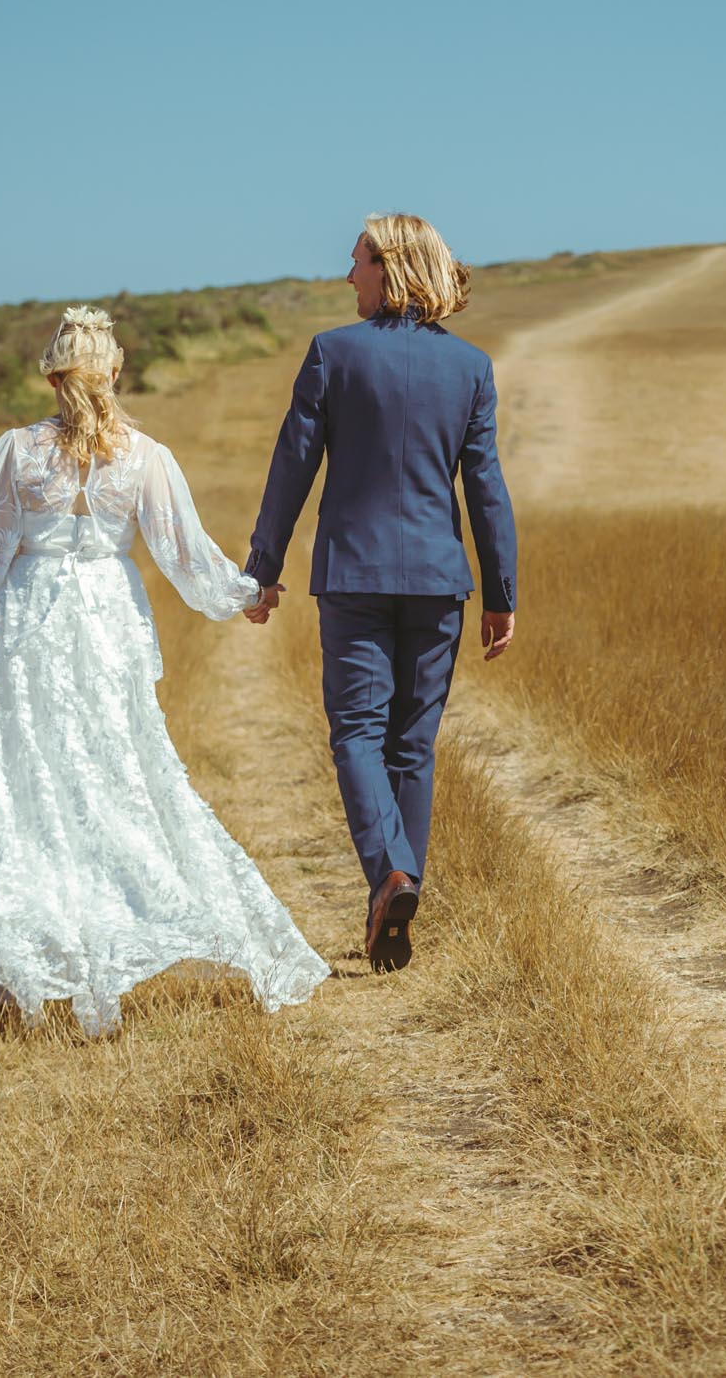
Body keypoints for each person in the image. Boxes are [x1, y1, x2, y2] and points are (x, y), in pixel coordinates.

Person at [0, 306, 330, 1036]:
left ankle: (43, 957)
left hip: (31, 624)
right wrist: (246, 594)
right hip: (106, 620)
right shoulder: (143, 456)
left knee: (31, 782)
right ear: (115, 371)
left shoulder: (15, 453)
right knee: (119, 774)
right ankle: (95, 940)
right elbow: (185, 553)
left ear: (53, 375)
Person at [243, 212, 517, 973]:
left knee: (358, 734)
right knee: (412, 745)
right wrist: (502, 590)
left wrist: (262, 566)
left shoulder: (333, 353)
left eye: (358, 262)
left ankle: (390, 877)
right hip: (438, 583)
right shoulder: (470, 368)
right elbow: (486, 487)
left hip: (355, 577)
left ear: (389, 267)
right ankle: (398, 901)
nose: (349, 277)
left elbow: (290, 466)